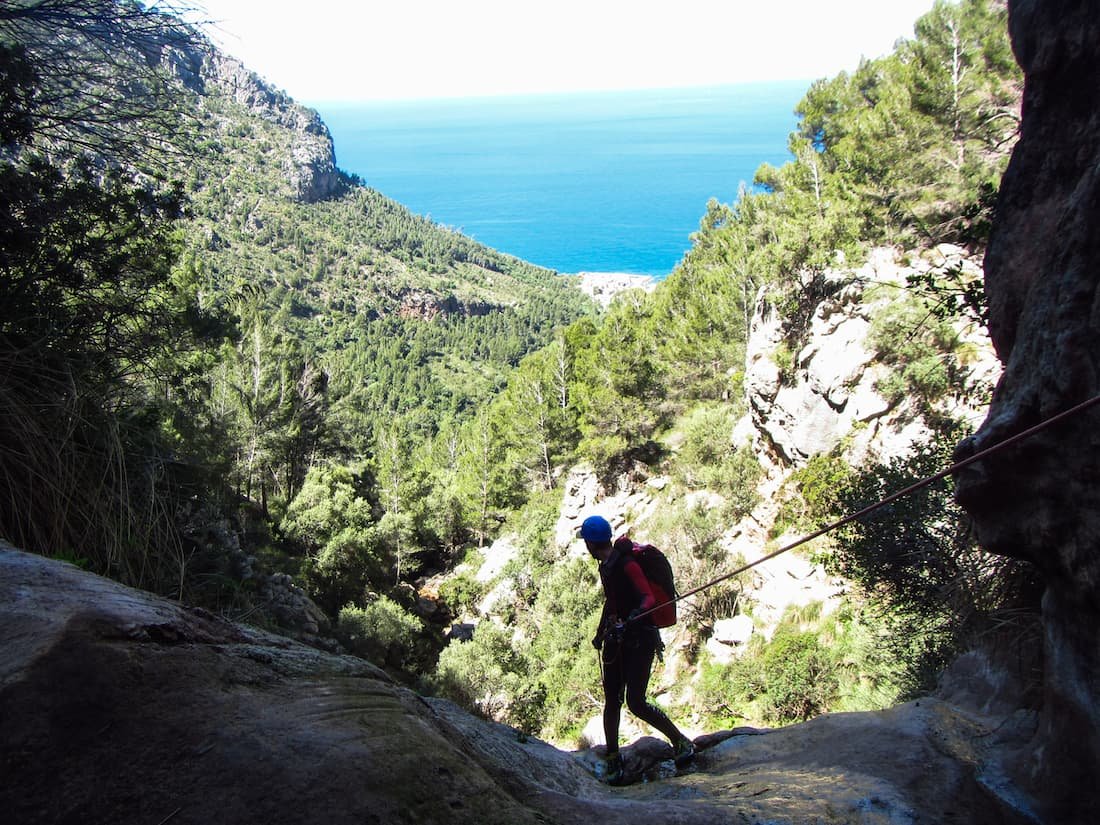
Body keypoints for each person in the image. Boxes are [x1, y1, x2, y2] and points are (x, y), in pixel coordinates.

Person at [580, 514, 695, 785]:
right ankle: (612, 756)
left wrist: (630, 619)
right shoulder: (606, 567)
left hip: (640, 638)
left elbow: (648, 598)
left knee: (636, 701)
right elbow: (612, 602)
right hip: (617, 639)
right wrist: (600, 633)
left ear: (591, 543)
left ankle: (681, 742)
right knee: (612, 699)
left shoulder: (628, 564)